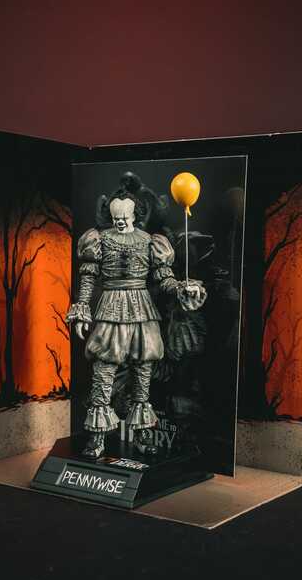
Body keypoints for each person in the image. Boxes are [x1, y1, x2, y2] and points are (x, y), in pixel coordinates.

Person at [66, 188, 207, 458]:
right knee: (103, 372)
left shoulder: (150, 241)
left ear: (135, 215)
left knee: (142, 374)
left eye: (124, 216)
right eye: (115, 217)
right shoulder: (99, 239)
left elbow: (164, 279)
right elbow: (88, 276)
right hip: (110, 308)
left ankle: (142, 436)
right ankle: (97, 439)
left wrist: (181, 287)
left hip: (142, 310)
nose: (120, 221)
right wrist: (82, 309)